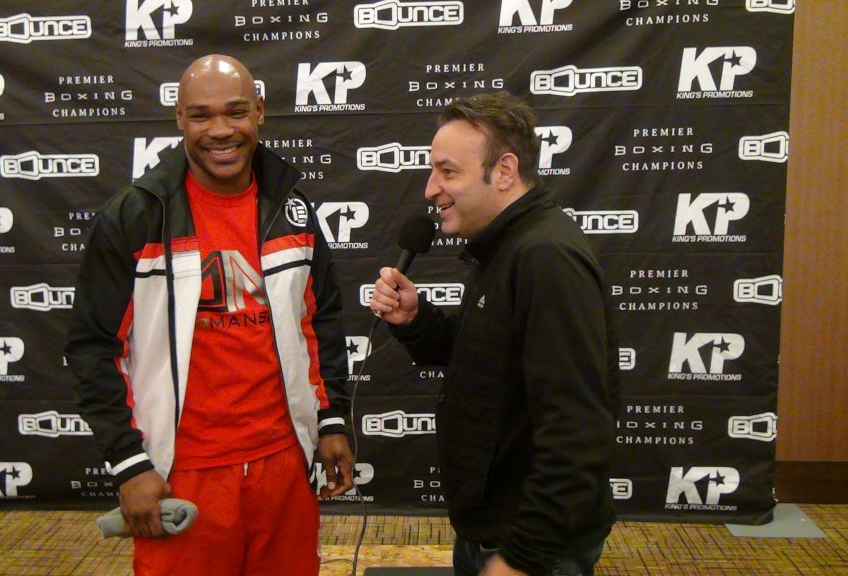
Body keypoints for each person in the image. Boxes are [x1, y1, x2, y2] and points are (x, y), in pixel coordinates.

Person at [65, 54, 354, 576]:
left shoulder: (292, 207)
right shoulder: (135, 216)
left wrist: (331, 419)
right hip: (182, 473)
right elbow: (93, 348)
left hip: (285, 461)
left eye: (236, 112)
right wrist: (130, 464)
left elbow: (321, 321)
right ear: (179, 118)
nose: (221, 130)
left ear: (260, 111)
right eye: (201, 115)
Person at [369, 92, 619, 576]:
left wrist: (522, 558)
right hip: (493, 536)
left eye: (447, 172)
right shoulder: (505, 247)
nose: (430, 189)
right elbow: (487, 360)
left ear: (504, 171)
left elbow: (578, 431)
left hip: (531, 550)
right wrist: (417, 321)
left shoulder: (545, 257)